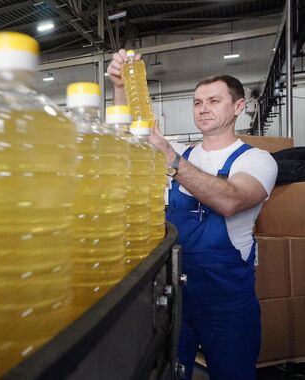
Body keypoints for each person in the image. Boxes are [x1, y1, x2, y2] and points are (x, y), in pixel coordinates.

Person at [108, 49, 278, 380]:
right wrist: (120, 87)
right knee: (169, 372)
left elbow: (231, 200)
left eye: (214, 101)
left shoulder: (256, 160)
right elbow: (130, 137)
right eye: (198, 102)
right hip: (173, 294)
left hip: (227, 302)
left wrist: (170, 159)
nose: (203, 109)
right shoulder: (182, 153)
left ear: (238, 107)